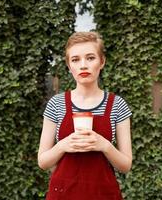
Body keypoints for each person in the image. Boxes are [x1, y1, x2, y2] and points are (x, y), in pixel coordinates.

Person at [38, 31, 132, 200]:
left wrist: (104, 145)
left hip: (104, 194)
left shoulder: (117, 105)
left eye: (90, 58)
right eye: (75, 59)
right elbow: (43, 162)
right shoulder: (56, 104)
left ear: (101, 61)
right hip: (63, 194)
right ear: (69, 65)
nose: (83, 65)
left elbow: (125, 165)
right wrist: (63, 145)